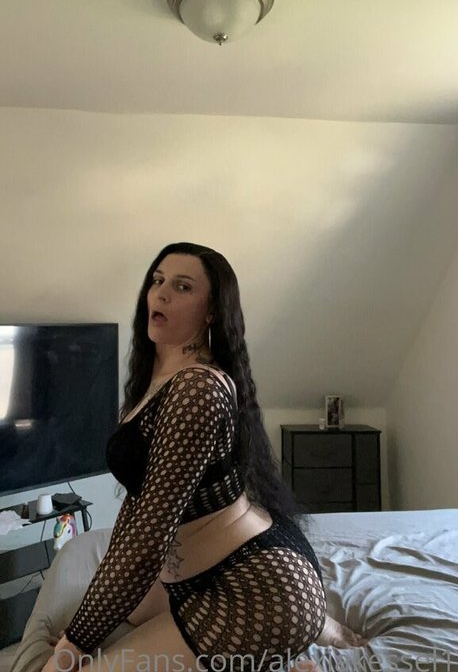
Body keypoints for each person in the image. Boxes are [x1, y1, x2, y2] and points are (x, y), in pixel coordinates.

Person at [42, 242, 366, 672]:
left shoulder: (199, 389)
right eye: (157, 281)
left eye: (182, 287)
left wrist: (73, 647)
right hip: (193, 578)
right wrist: (83, 630)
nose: (160, 293)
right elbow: (137, 508)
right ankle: (305, 633)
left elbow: (149, 538)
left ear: (211, 311)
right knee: (108, 619)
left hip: (255, 589)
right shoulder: (155, 379)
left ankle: (305, 628)